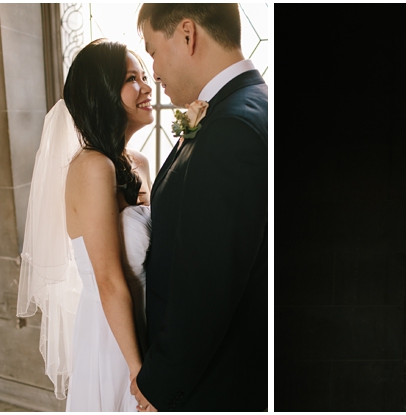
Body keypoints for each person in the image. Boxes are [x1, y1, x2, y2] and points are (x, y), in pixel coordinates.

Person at [130, 4, 268, 411]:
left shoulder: (231, 129)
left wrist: (159, 383)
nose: (153, 72)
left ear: (187, 35)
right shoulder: (241, 107)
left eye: (153, 51)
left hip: (211, 386)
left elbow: (207, 286)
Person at [17, 38, 154, 411]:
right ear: (104, 93)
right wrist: (137, 369)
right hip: (114, 341)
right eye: (131, 78)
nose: (146, 87)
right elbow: (109, 280)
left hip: (148, 323)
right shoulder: (93, 168)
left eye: (144, 75)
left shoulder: (138, 162)